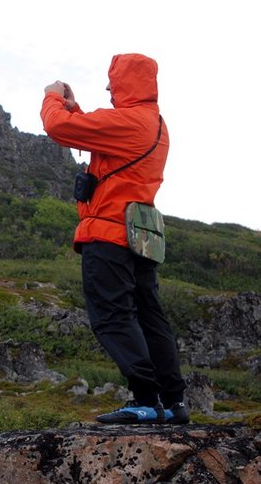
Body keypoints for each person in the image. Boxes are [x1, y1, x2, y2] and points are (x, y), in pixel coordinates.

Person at [40, 53, 188, 424]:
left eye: (113, 80)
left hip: (109, 235)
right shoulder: (153, 123)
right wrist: (79, 109)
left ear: (127, 82)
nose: (108, 87)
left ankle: (145, 400)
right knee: (150, 318)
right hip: (139, 238)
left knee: (112, 316)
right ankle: (173, 404)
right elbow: (106, 134)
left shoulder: (128, 122)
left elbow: (57, 127)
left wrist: (53, 97)